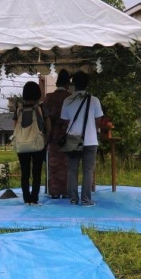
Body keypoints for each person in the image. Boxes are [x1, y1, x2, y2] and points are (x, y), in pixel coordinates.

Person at [60, 71, 103, 206]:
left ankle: (73, 198)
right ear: (87, 84)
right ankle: (86, 199)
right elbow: (98, 120)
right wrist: (95, 130)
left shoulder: (67, 100)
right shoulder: (94, 100)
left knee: (72, 170)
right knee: (88, 170)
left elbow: (65, 121)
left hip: (73, 140)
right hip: (90, 140)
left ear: (73, 84)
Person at [13, 81, 47, 205]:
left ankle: (26, 198)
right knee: (36, 172)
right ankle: (34, 198)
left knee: (25, 172)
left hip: (22, 144)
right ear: (38, 93)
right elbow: (47, 125)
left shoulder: (19, 108)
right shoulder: (41, 108)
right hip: (37, 144)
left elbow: (15, 126)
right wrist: (47, 138)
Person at [43, 69, 72, 198]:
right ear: (68, 83)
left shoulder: (48, 98)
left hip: (52, 135)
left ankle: (54, 192)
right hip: (68, 135)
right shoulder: (70, 97)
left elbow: (44, 118)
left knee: (53, 164)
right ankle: (66, 192)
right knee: (67, 164)